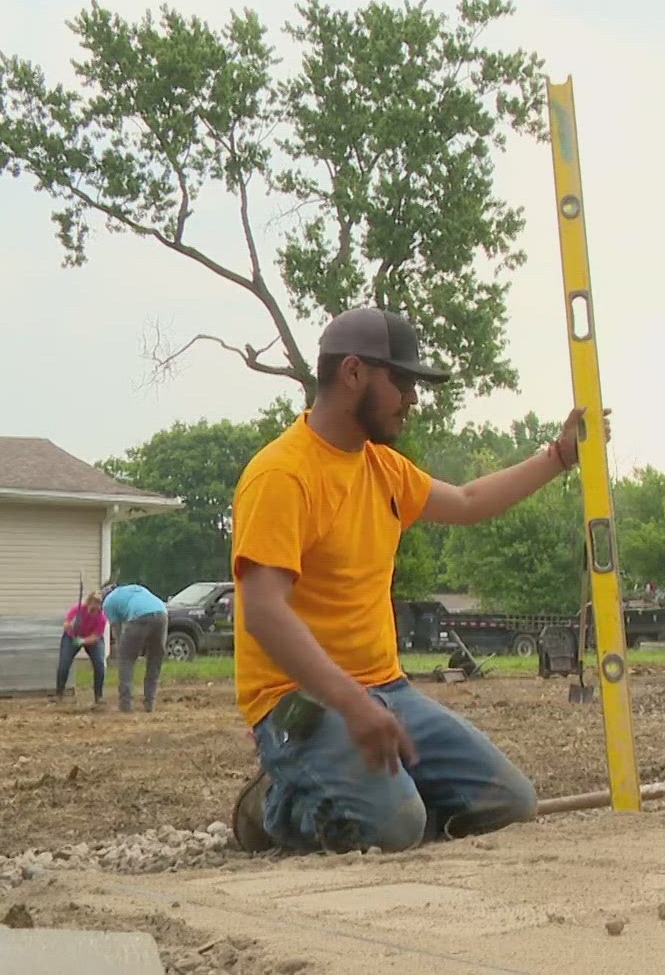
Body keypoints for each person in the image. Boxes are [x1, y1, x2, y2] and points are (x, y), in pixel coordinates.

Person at [227, 306, 593, 854]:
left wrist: (559, 456)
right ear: (353, 374)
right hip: (296, 703)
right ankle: (273, 802)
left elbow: (468, 502)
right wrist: (353, 705)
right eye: (403, 382)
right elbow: (263, 612)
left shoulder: (383, 468)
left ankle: (384, 793)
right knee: (395, 830)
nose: (414, 400)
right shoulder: (282, 476)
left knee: (510, 804)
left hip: (386, 692)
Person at [102, 582, 169, 713]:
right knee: (155, 659)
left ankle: (126, 705)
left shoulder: (107, 603)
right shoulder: (135, 588)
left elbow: (118, 632)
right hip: (162, 614)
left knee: (125, 659)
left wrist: (126, 648)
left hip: (139, 617)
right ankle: (150, 704)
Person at [56, 591, 108, 707]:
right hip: (71, 637)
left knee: (99, 664)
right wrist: (69, 625)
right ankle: (59, 694)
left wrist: (82, 641)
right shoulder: (77, 609)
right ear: (87, 604)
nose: (95, 612)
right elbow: (66, 623)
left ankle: (98, 696)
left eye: (97, 609)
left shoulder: (102, 618)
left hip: (91, 638)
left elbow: (95, 637)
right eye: (92, 609)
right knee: (64, 663)